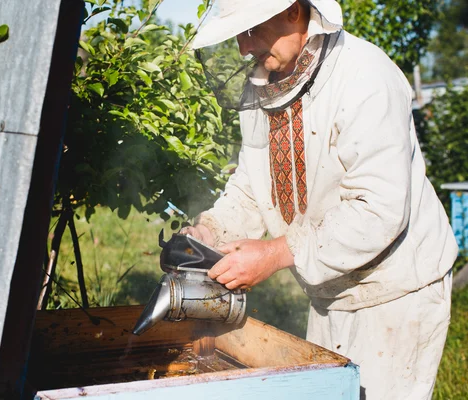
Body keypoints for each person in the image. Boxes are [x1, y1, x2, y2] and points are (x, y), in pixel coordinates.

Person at [182, 0, 458, 399]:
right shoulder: (265, 84)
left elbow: (378, 210)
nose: (244, 48)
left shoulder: (365, 76)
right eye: (238, 35)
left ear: (294, 11)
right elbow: (250, 185)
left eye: (251, 30)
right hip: (328, 286)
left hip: (395, 290)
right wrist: (209, 231)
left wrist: (275, 253)